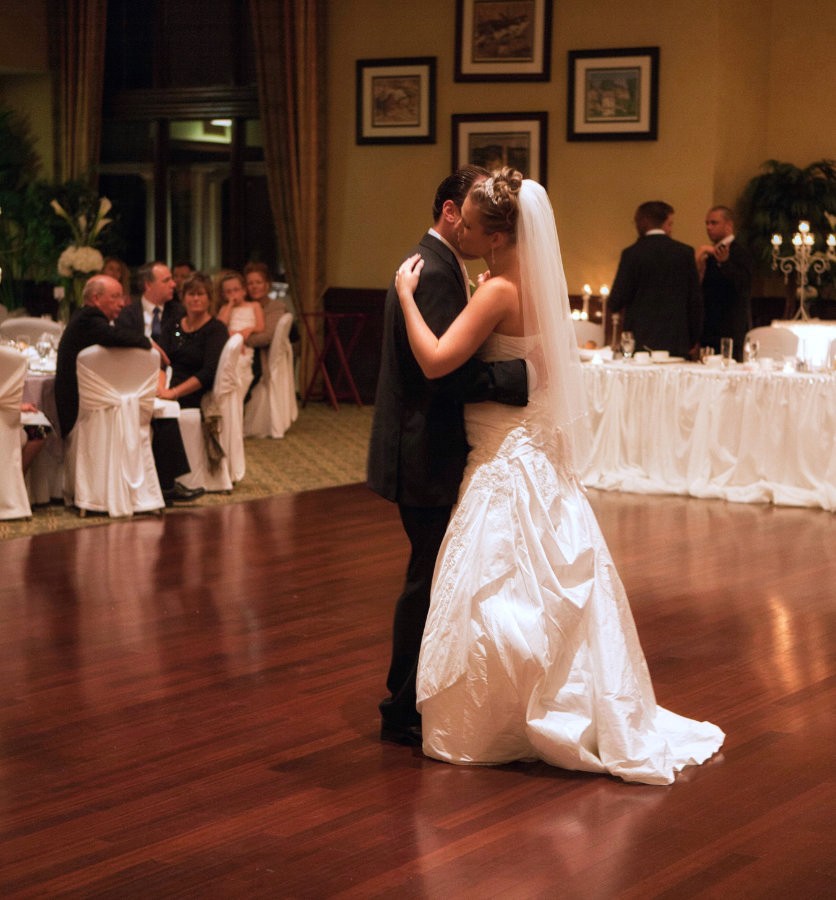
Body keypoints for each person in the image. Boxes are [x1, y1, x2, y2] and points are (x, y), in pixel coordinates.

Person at [394, 168, 725, 784]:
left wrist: (408, 298)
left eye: (467, 222)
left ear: (494, 236)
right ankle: (566, 700)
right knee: (545, 577)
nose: (458, 228)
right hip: (533, 446)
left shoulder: (496, 292)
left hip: (501, 454)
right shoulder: (533, 285)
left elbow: (438, 360)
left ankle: (509, 715)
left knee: (495, 584)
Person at [367, 166, 529, 748]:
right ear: (450, 211)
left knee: (437, 574)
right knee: (428, 577)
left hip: (425, 444)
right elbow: (439, 374)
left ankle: (418, 694)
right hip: (426, 449)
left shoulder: (437, 265)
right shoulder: (433, 272)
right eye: (473, 209)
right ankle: (401, 703)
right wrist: (516, 378)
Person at [55, 274, 203, 505]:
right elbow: (113, 336)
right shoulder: (89, 319)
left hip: (93, 404)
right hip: (86, 411)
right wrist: (147, 342)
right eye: (115, 297)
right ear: (95, 298)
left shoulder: (85, 317)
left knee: (155, 409)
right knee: (160, 411)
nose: (122, 303)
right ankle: (164, 484)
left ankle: (164, 483)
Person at [608, 201, 702, 359]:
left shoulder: (632, 254)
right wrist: (694, 339)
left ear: (641, 222)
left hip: (640, 342)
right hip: (677, 341)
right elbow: (695, 301)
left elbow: (616, 301)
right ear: (666, 223)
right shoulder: (684, 253)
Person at [156, 272, 228, 408]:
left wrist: (174, 393)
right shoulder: (173, 326)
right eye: (191, 294)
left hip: (195, 393)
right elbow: (161, 361)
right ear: (183, 298)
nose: (195, 298)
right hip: (167, 386)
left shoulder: (216, 330)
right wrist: (161, 390)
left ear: (210, 299)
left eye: (200, 294)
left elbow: (209, 372)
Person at [696, 206, 753, 362]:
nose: (708, 227)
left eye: (714, 223)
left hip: (730, 327)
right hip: (708, 326)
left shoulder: (740, 251)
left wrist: (725, 263)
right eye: (707, 223)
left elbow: (743, 284)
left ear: (728, 226)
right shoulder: (709, 254)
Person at [243, 262, 294, 393]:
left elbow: (267, 337)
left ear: (267, 284)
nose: (254, 287)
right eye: (250, 283)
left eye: (258, 282)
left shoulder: (276, 307)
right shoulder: (244, 306)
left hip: (263, 356)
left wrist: (240, 339)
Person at [117, 261, 185, 345]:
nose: (173, 284)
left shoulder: (179, 312)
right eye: (166, 280)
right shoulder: (127, 314)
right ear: (148, 285)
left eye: (171, 279)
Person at [217, 270, 264, 387]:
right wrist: (230, 305)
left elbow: (260, 326)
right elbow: (220, 326)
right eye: (228, 292)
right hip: (229, 342)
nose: (233, 294)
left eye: (236, 290)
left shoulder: (254, 306)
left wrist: (248, 330)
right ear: (223, 294)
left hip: (246, 345)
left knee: (242, 366)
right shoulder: (225, 308)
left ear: (244, 291)